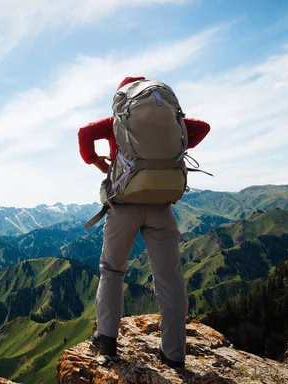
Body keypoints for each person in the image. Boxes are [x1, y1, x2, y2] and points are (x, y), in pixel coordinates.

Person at [77, 76, 210, 368]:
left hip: (124, 206)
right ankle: (174, 354)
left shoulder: (117, 121)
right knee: (170, 278)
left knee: (112, 270)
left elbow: (84, 132)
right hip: (162, 207)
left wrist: (96, 161)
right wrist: (171, 146)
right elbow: (203, 128)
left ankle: (107, 340)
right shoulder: (169, 122)